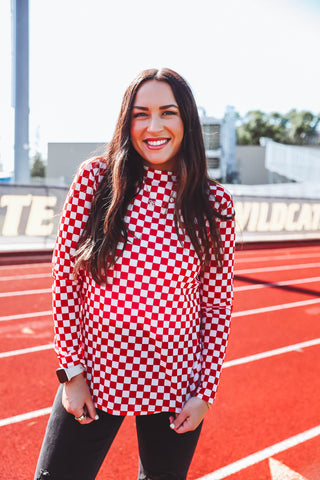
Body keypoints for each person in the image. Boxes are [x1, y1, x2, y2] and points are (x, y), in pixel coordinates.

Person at [34, 68, 235, 480]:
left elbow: (215, 306)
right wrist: (72, 374)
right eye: (141, 114)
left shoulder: (214, 203)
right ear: (127, 121)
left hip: (175, 384)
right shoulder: (96, 180)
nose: (154, 126)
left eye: (168, 112)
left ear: (187, 122)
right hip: (94, 375)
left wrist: (204, 393)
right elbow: (65, 280)